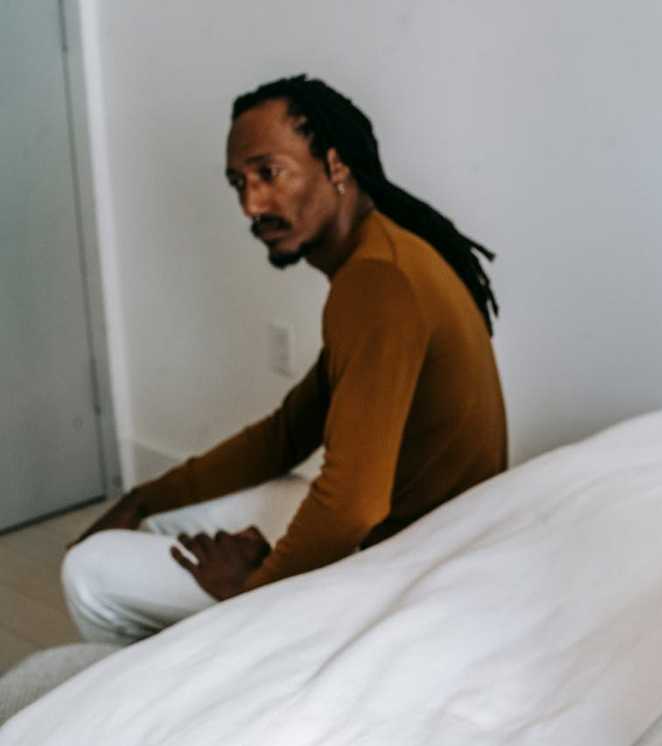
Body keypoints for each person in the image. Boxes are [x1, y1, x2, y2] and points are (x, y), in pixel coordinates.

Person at [62, 75, 508, 645]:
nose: (252, 205)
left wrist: (250, 593)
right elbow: (285, 436)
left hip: (406, 567)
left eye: (269, 173)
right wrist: (141, 498)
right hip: (413, 532)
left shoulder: (375, 283)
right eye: (238, 183)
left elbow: (350, 509)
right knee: (154, 518)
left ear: (335, 164)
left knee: (87, 571)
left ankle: (171, 702)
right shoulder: (385, 256)